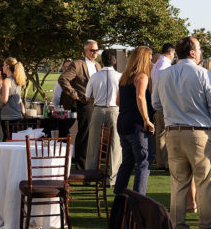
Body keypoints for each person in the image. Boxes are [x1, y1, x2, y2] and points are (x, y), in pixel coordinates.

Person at [151, 36, 211, 229]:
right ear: (193, 53)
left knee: (178, 184)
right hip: (199, 133)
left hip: (173, 133)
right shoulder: (203, 74)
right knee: (205, 182)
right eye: (200, 50)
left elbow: (156, 104)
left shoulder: (164, 75)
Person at [114, 46, 155, 196]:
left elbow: (117, 100)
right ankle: (139, 199)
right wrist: (146, 119)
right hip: (137, 124)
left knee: (127, 162)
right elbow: (140, 97)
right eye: (150, 58)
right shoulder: (142, 76)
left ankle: (119, 195)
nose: (151, 62)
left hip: (123, 122)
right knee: (144, 163)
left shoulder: (124, 77)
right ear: (144, 59)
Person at [58, 40, 102, 166]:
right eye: (92, 50)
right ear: (85, 50)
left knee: (95, 134)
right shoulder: (77, 64)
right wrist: (75, 95)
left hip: (98, 103)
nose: (94, 53)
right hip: (85, 103)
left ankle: (92, 162)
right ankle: (81, 164)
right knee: (85, 133)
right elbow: (63, 79)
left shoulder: (98, 66)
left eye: (96, 50)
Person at [85, 49, 123, 180]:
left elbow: (87, 97)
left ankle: (90, 176)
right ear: (114, 61)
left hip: (98, 110)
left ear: (101, 61)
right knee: (115, 143)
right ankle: (112, 178)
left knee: (93, 143)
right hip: (114, 110)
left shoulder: (94, 76)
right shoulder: (120, 76)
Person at [149, 43, 174, 169]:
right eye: (173, 53)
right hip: (164, 103)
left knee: (160, 133)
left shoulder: (158, 64)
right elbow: (162, 85)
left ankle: (161, 161)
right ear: (170, 52)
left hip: (158, 102)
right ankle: (165, 162)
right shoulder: (164, 65)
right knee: (166, 132)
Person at [0, 56, 28, 136]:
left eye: (4, 65)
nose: (2, 67)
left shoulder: (7, 81)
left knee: (7, 139)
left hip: (7, 116)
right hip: (17, 114)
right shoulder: (17, 79)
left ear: (7, 66)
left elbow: (4, 100)